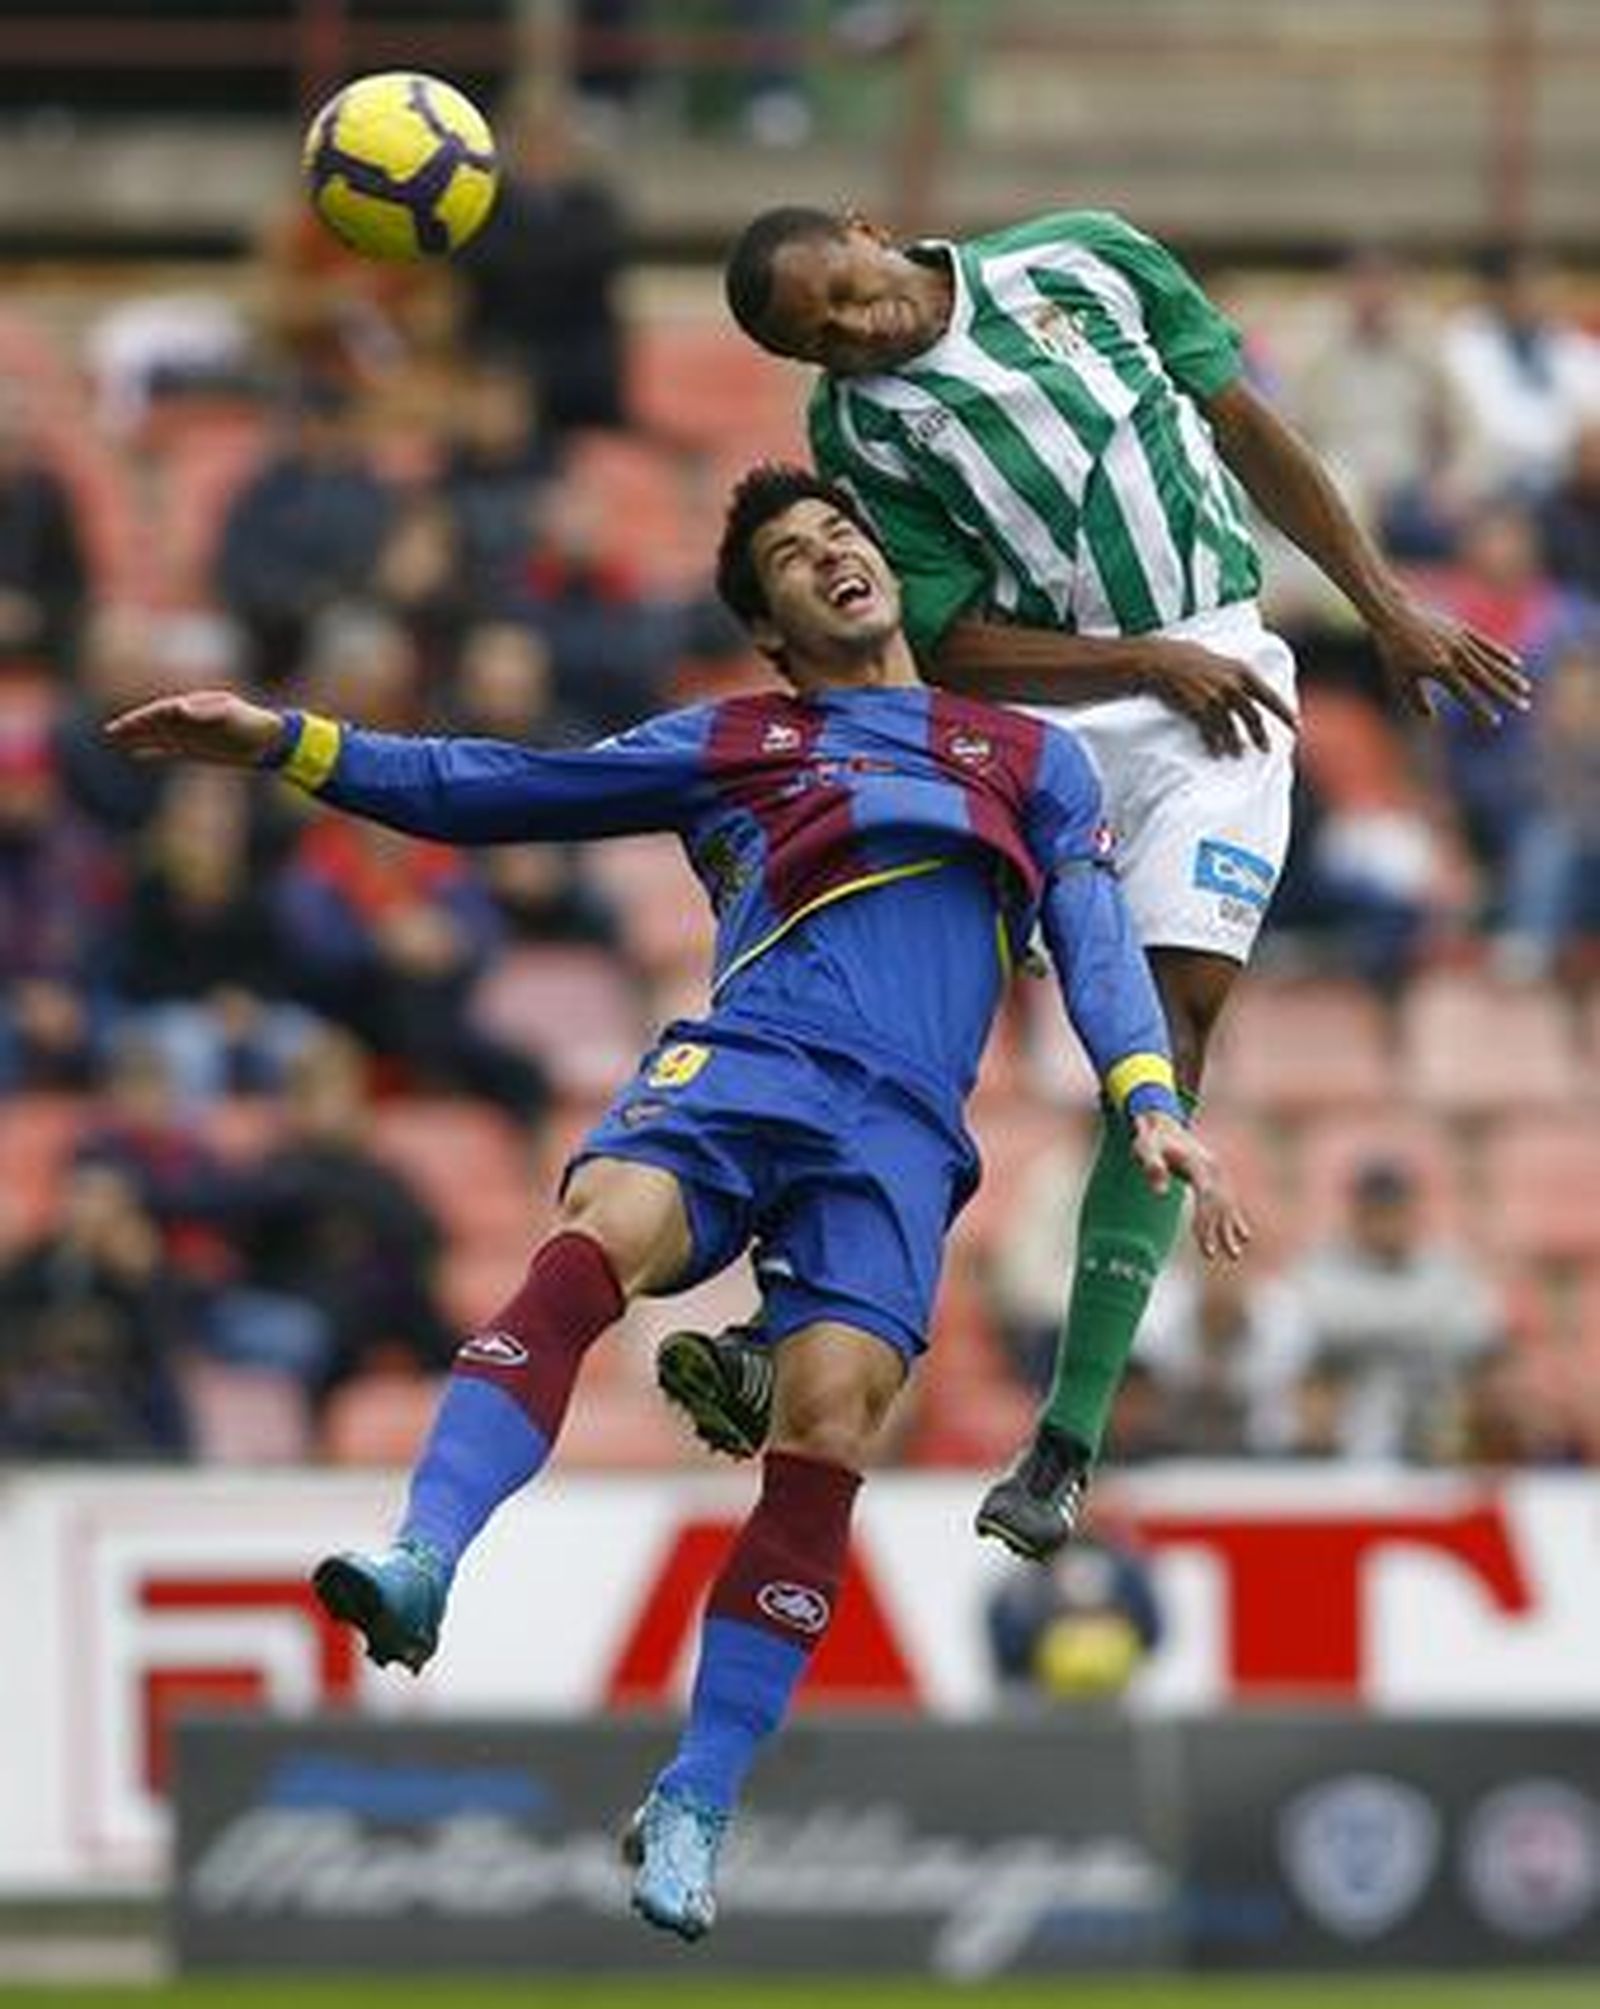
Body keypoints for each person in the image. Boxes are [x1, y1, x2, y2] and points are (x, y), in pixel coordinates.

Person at [106, 464, 1247, 1941]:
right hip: (752, 1058)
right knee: (604, 1229)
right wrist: (287, 742)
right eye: (790, 552)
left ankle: (699, 1792)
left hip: (903, 1130)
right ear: (768, 625)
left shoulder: (1028, 757)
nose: (832, 550)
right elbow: (494, 790)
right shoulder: (739, 740)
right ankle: (425, 1555)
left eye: (841, 529)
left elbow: (1094, 935)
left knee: (834, 1414)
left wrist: (1147, 1096)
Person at [659, 202, 1530, 1562]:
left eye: (841, 291)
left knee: (1175, 1036)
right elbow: (943, 638)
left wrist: (1382, 606)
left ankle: (1066, 1438)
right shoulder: (857, 432)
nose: (850, 330)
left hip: (1222, 685)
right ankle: (781, 1322)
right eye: (817, 337)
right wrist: (1135, 667)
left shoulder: (1085, 257)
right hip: (1056, 714)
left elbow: (1244, 427)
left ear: (869, 231)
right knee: (915, 999)